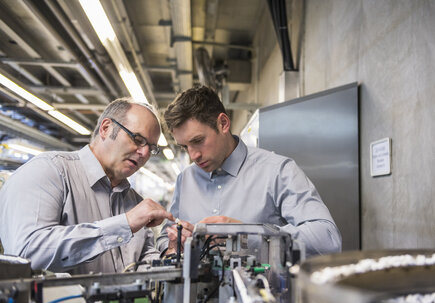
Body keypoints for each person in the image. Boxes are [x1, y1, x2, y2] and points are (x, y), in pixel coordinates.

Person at [157, 86, 341, 257]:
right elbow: (165, 237)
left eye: (198, 141)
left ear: (223, 123)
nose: (193, 155)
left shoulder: (277, 171)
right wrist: (173, 246)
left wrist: (246, 235)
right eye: (184, 147)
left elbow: (328, 239)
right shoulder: (186, 179)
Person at [0, 98, 174, 274]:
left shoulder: (134, 201)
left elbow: (142, 262)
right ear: (106, 128)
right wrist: (124, 224)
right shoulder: (49, 171)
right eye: (137, 139)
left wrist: (173, 256)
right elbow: (27, 254)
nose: (144, 153)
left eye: (151, 148)